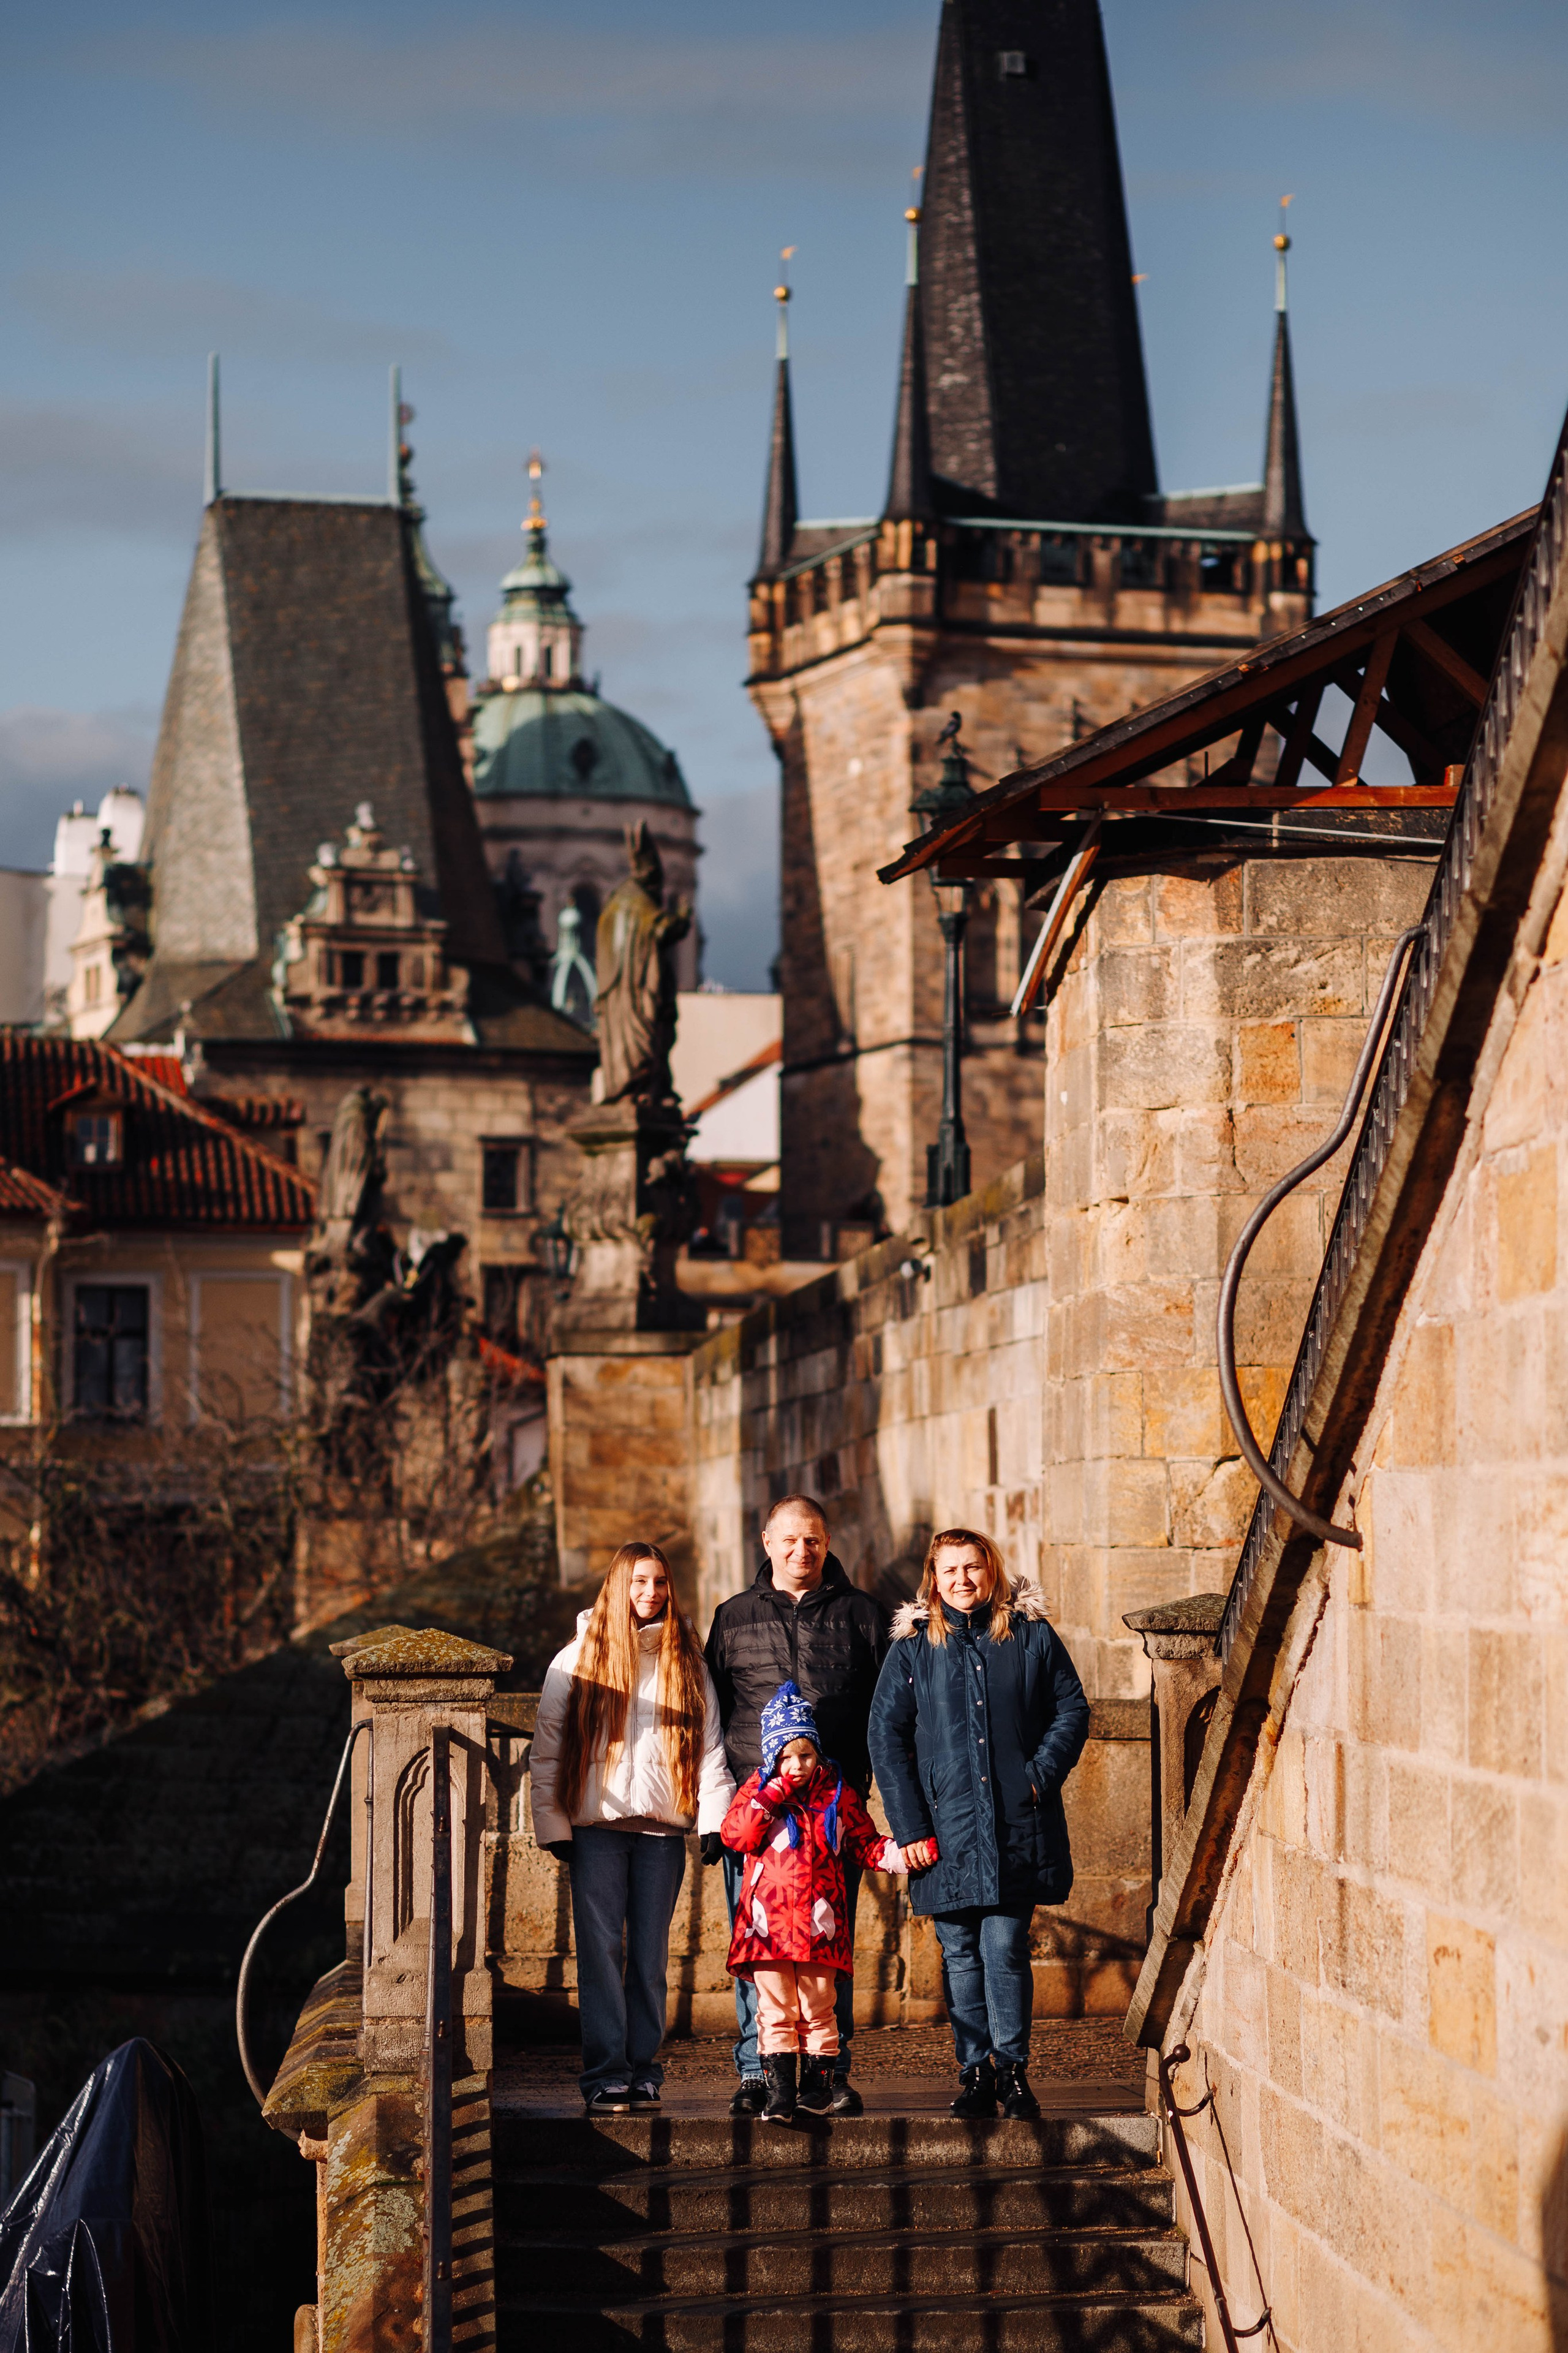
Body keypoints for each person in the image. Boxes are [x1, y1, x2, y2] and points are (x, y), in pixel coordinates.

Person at [869, 1529, 1089, 2120]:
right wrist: (910, 1827)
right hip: (945, 1829)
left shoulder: (1030, 1636)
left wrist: (1037, 1775)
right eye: (950, 1571)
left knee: (1005, 1946)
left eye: (973, 1567)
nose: (963, 1579)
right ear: (933, 1579)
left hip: (1016, 1824)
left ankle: (1013, 2070)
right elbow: (884, 1739)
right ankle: (974, 2071)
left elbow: (1072, 1708)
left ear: (991, 1569)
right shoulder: (913, 1650)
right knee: (961, 1950)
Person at [530, 1541, 733, 2116]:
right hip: (597, 1825)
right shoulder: (575, 1659)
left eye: (661, 1583)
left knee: (649, 1956)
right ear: (620, 1585)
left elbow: (709, 1747)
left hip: (662, 1833)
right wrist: (553, 1825)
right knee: (599, 1951)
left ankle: (644, 2069)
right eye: (640, 1582)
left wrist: (713, 1820)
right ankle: (605, 2073)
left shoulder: (686, 1660)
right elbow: (548, 1752)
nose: (651, 1593)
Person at [704, 1494, 891, 2115]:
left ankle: (825, 2074)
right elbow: (712, 1720)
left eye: (811, 1539)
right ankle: (758, 2072)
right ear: (766, 1541)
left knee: (826, 1948)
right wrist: (714, 1811)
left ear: (827, 1539)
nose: (800, 1551)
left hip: (833, 1815)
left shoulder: (864, 1614)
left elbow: (886, 1715)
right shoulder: (732, 1617)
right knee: (759, 1949)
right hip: (756, 1816)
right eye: (788, 1539)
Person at [720, 1682, 919, 2122]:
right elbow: (737, 1834)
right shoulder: (759, 1790)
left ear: (818, 1753)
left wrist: (899, 1855)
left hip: (817, 1926)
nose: (797, 1766)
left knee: (817, 2007)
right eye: (787, 1757)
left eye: (806, 1755)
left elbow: (863, 1842)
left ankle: (817, 2089)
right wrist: (772, 1795)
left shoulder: (836, 1793)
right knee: (774, 2010)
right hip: (767, 1927)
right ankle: (780, 2093)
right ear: (772, 1756)